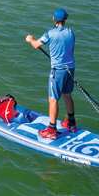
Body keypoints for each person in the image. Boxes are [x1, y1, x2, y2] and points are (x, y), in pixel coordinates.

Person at [24, 9, 76, 140]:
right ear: (65, 19)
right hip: (70, 69)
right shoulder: (71, 32)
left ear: (54, 19)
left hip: (58, 71)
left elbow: (36, 45)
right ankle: (71, 123)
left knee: (53, 99)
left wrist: (30, 39)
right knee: (67, 95)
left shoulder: (50, 33)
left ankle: (52, 129)